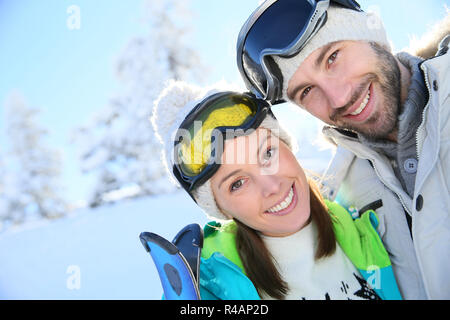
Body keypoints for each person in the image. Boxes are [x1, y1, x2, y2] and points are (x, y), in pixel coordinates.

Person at [235, 0, 450, 299]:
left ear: (368, 33)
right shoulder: (345, 194)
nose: (338, 98)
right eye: (307, 91)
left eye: (332, 57)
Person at [151, 80, 402, 300]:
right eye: (237, 183)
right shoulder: (211, 288)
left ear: (288, 147)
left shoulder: (368, 226)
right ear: (220, 208)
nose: (272, 186)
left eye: (268, 153)